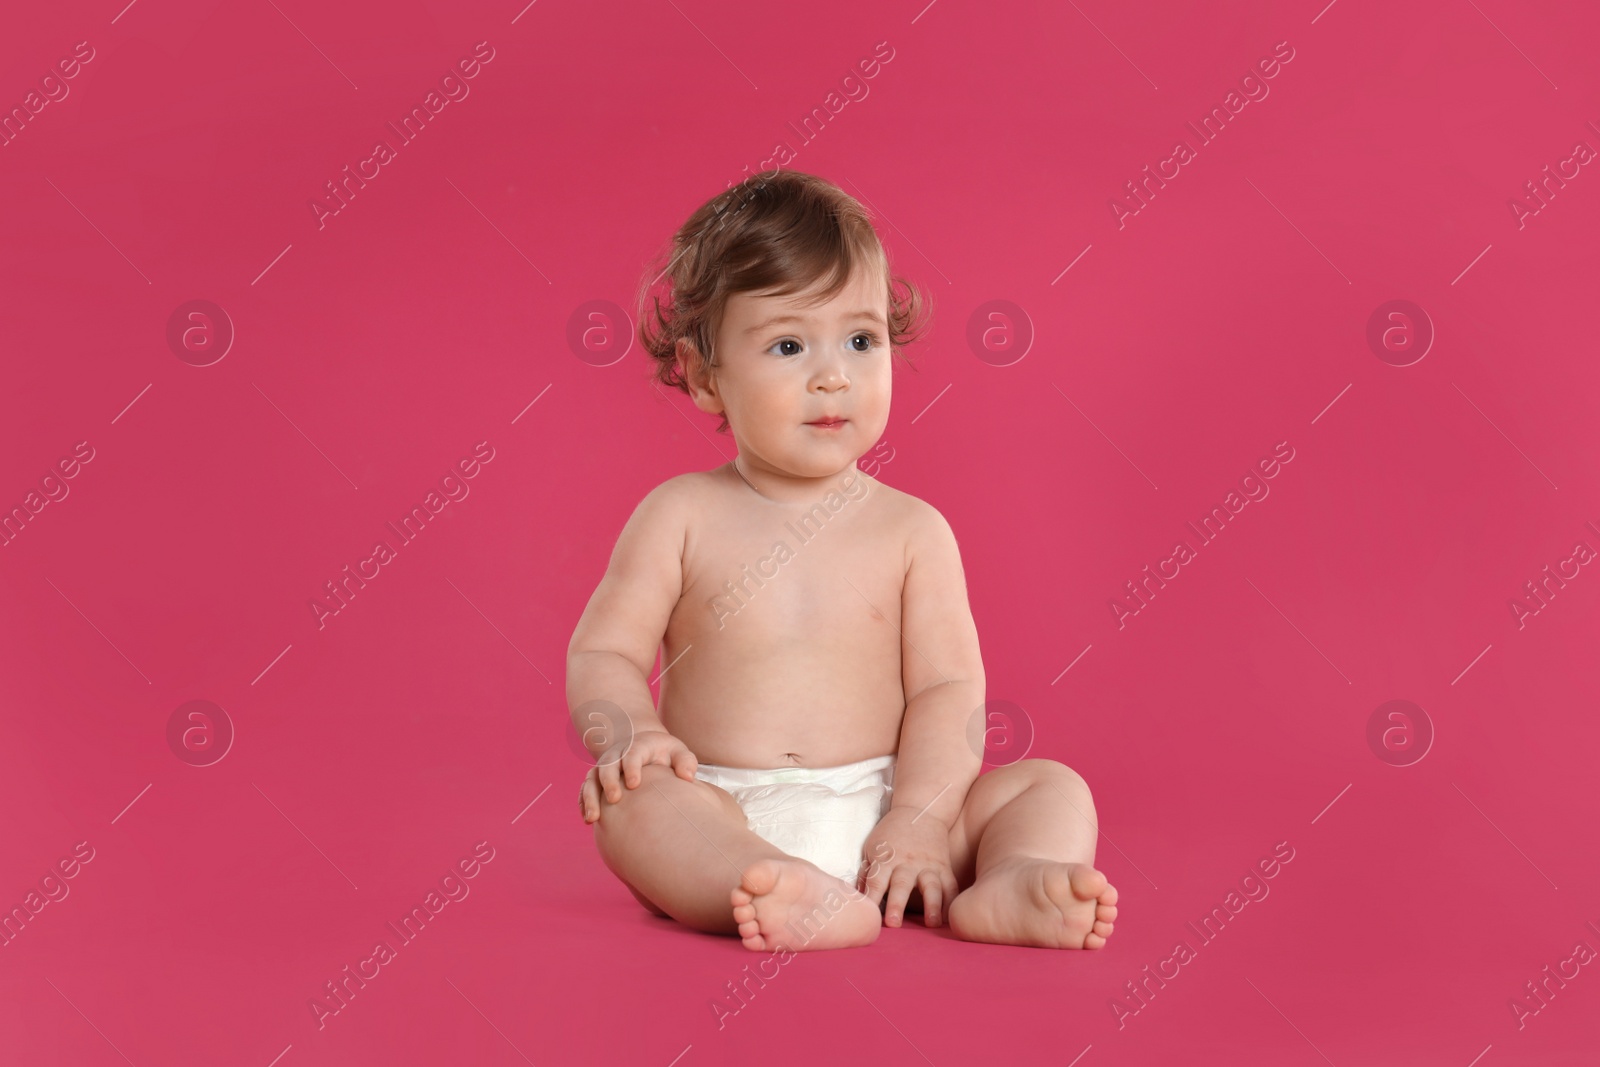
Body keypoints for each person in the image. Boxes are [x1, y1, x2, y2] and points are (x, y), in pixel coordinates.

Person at [566, 170, 1117, 951]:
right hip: (723, 804)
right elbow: (604, 650)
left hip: (890, 814)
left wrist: (919, 823)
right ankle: (762, 879)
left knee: (1049, 786)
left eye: (861, 339)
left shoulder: (912, 531)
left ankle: (1014, 877)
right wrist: (629, 735)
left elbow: (947, 689)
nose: (834, 374)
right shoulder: (678, 515)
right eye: (789, 344)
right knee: (631, 809)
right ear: (701, 375)